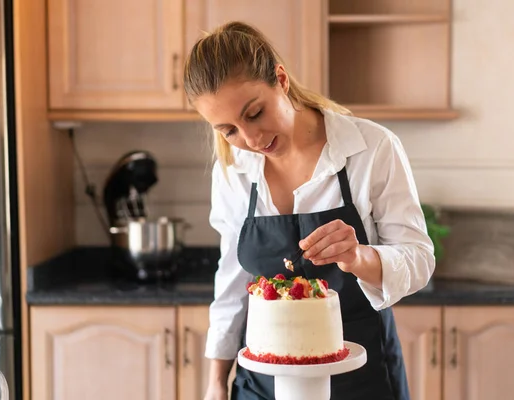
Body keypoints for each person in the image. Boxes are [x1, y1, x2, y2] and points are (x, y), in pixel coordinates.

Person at [183, 21, 435, 400]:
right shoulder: (234, 170)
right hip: (261, 383)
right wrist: (216, 380)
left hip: (361, 379)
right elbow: (233, 279)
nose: (250, 140)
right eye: (228, 130)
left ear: (281, 80)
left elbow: (419, 260)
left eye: (254, 113)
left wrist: (360, 256)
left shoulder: (371, 148)